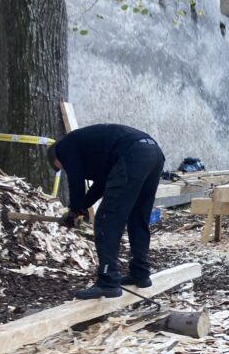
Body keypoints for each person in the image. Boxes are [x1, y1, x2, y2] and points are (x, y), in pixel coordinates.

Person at [48, 124, 164, 299]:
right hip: (153, 153)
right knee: (138, 217)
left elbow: (76, 179)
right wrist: (80, 208)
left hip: (133, 154)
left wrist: (73, 210)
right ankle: (140, 273)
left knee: (106, 219)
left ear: (55, 156)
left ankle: (108, 280)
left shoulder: (64, 147)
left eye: (61, 167)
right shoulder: (93, 149)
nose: (64, 169)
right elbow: (102, 184)